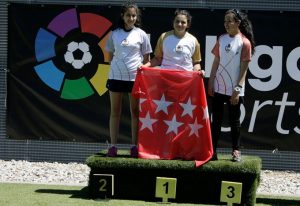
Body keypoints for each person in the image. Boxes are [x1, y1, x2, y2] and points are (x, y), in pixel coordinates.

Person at [105, 2, 152, 157]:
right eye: (128, 15)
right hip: (115, 78)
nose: (131, 18)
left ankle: (134, 146)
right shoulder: (114, 34)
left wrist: (140, 68)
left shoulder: (142, 34)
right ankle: (112, 146)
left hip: (134, 79)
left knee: (134, 112)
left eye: (133, 15)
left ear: (136, 17)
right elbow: (110, 56)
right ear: (123, 16)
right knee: (115, 112)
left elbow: (147, 59)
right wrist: (118, 68)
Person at [208, 9, 255, 162]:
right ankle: (211, 151)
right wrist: (211, 82)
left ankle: (236, 151)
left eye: (230, 21)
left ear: (238, 23)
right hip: (218, 86)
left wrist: (237, 90)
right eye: (225, 21)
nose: (226, 24)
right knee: (216, 121)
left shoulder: (245, 42)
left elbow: (244, 70)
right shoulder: (221, 38)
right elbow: (216, 62)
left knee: (235, 122)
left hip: (235, 90)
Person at [143, 9, 203, 73]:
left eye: (183, 22)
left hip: (186, 80)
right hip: (166, 78)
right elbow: (158, 59)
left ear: (188, 25)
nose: (179, 24)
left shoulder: (193, 40)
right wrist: (144, 66)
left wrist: (199, 71)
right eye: (177, 21)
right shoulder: (164, 36)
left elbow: (196, 63)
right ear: (173, 22)